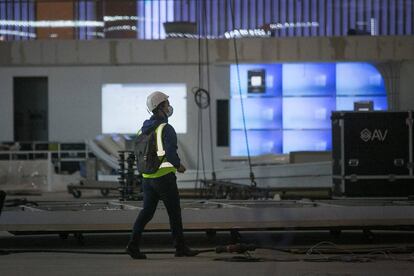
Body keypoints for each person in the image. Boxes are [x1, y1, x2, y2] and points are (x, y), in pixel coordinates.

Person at [126, 91, 198, 259]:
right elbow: (170, 153)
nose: (169, 106)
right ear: (160, 108)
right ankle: (180, 248)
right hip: (164, 178)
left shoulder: (141, 130)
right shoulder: (166, 128)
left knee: (147, 212)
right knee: (174, 212)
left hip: (148, 179)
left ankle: (133, 245)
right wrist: (179, 166)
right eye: (166, 103)